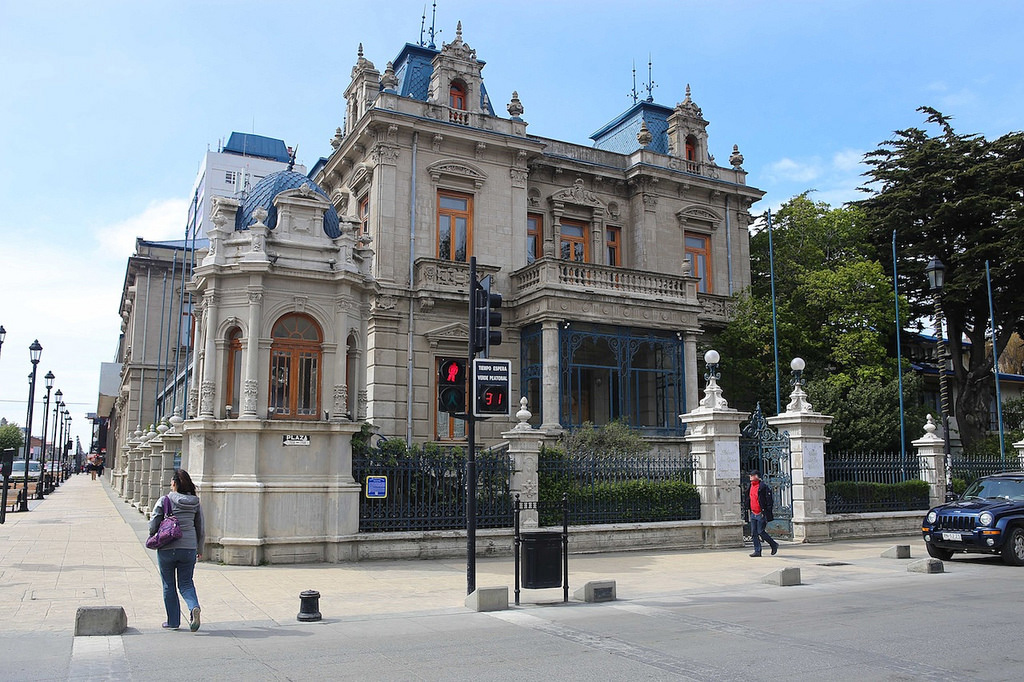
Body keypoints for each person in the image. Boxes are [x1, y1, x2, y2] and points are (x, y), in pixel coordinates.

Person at [149, 468, 205, 631]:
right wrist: (199, 548)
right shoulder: (195, 501)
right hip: (188, 548)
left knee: (168, 584)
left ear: (174, 483)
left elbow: (154, 522)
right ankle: (193, 606)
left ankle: (173, 621)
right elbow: (200, 528)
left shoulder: (165, 500)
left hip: (167, 546)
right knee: (186, 583)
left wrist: (153, 534)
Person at [743, 469, 779, 557]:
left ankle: (773, 544)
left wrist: (766, 512)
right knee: (754, 533)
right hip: (753, 512)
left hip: (761, 513)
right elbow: (748, 498)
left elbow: (769, 501)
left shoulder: (763, 487)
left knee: (761, 531)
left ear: (757, 476)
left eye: (752, 475)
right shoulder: (750, 487)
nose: (750, 477)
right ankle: (757, 551)